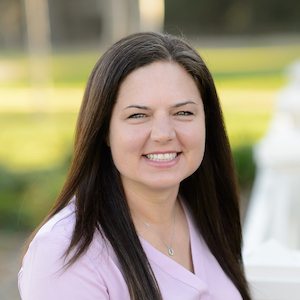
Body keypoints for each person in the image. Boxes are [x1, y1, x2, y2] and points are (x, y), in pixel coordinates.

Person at [18, 32, 251, 300]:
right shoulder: (63, 253)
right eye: (138, 115)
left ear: (206, 121)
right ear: (104, 130)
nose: (163, 133)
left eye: (183, 113)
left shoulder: (206, 212)